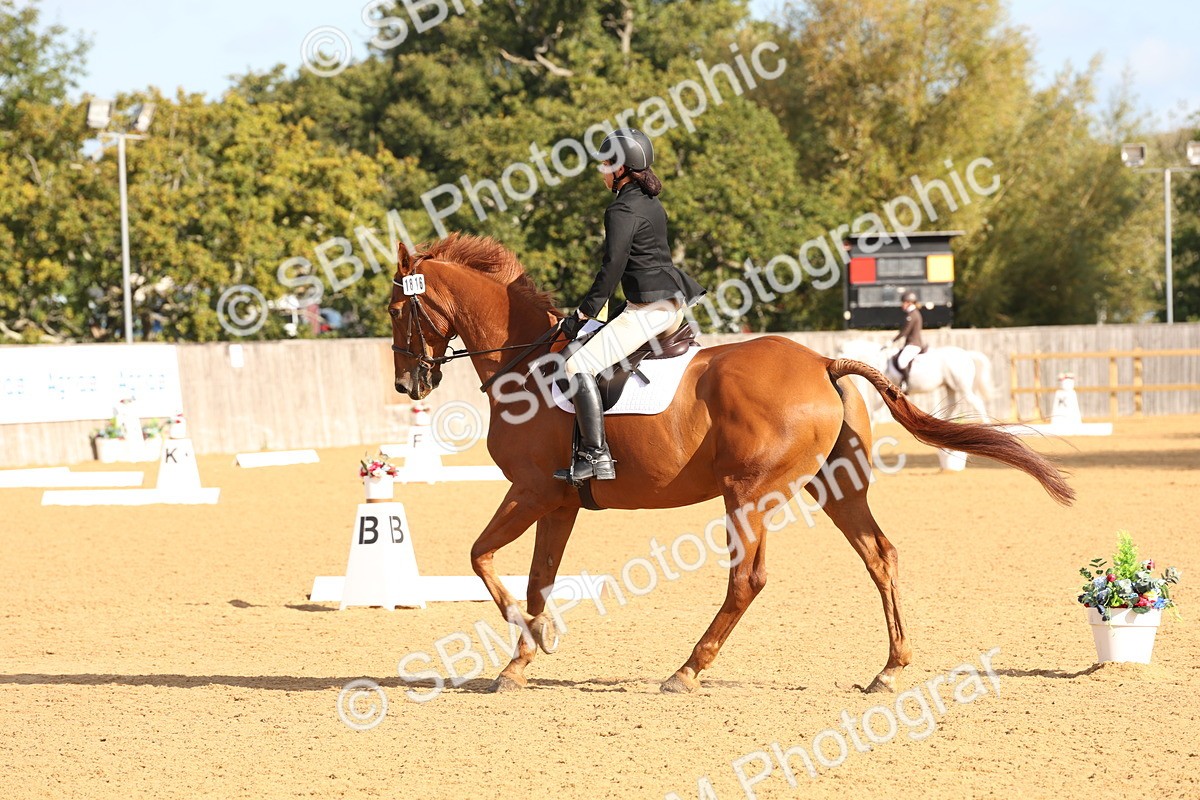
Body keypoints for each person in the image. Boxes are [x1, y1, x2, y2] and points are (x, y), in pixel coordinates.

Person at [553, 128, 706, 483]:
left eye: (607, 165)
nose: (603, 171)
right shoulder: (649, 201)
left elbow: (613, 267)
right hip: (669, 304)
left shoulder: (621, 209)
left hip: (648, 311)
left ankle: (596, 455)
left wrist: (584, 313)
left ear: (621, 170)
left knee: (578, 366)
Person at [891, 291, 925, 391]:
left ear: (909, 302)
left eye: (904, 302)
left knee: (901, 362)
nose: (902, 305)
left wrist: (892, 341)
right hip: (911, 343)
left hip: (913, 344)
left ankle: (906, 384)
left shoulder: (913, 314)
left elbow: (905, 331)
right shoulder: (912, 313)